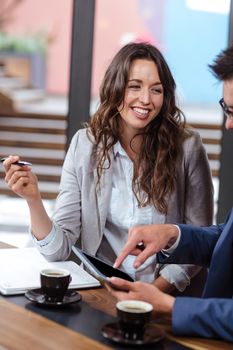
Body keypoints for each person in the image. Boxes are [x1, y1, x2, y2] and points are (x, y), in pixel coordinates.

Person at [2, 43, 213, 294]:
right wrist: (33, 200)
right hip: (105, 293)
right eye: (134, 86)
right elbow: (57, 249)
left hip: (170, 298)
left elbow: (199, 241)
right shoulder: (85, 145)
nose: (145, 99)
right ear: (115, 87)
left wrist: (153, 293)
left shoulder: (188, 148)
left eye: (156, 90)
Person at [107, 45, 233, 342]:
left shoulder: (187, 146)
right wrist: (174, 235)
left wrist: (169, 305)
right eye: (227, 109)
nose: (229, 124)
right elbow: (227, 239)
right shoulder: (87, 143)